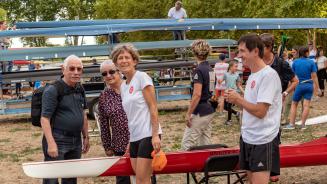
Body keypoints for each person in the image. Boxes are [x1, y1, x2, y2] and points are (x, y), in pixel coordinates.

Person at [225, 33, 282, 184]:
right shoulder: (252, 75)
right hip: (248, 137)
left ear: (255, 51)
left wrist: (238, 99)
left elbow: (260, 112)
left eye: (242, 51)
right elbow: (251, 108)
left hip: (263, 140)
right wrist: (238, 101)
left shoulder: (268, 75)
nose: (239, 55)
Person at [111, 43, 162, 184]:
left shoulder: (142, 77)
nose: (123, 60)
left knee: (142, 180)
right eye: (120, 58)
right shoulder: (123, 86)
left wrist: (155, 135)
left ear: (134, 61)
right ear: (116, 63)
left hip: (148, 135)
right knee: (137, 179)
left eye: (127, 57)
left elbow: (153, 107)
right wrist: (129, 141)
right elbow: (130, 116)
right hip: (134, 138)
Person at [41, 55, 90, 184]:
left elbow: (83, 113)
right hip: (58, 139)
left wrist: (86, 137)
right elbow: (45, 119)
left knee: (70, 178)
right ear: (63, 69)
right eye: (72, 68)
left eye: (79, 69)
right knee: (52, 178)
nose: (76, 72)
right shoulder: (53, 90)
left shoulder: (80, 88)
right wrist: (51, 143)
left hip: (76, 140)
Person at [98, 61, 131, 184]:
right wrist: (107, 146)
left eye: (111, 71)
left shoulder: (131, 87)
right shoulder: (104, 96)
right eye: (104, 73)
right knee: (123, 180)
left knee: (144, 178)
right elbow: (104, 123)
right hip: (119, 146)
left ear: (119, 71)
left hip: (139, 142)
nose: (108, 75)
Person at [181, 39, 215, 151]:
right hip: (209, 109)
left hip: (200, 110)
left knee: (187, 144)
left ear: (195, 53)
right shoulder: (210, 69)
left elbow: (196, 94)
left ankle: (189, 168)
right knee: (205, 144)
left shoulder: (198, 70)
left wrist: (188, 113)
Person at [284, 46, 321, 130]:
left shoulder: (295, 62)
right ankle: (303, 125)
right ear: (306, 53)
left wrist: (289, 88)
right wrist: (318, 88)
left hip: (299, 85)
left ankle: (291, 125)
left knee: (294, 104)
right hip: (309, 85)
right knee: (306, 105)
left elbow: (292, 77)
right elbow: (314, 77)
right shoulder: (311, 62)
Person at [221, 60, 244, 125]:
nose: (236, 68)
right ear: (230, 67)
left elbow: (239, 85)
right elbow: (221, 81)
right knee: (225, 107)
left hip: (233, 92)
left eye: (237, 66)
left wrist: (243, 92)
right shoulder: (226, 74)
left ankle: (229, 120)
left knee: (229, 106)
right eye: (235, 66)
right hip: (226, 92)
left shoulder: (237, 75)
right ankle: (236, 113)